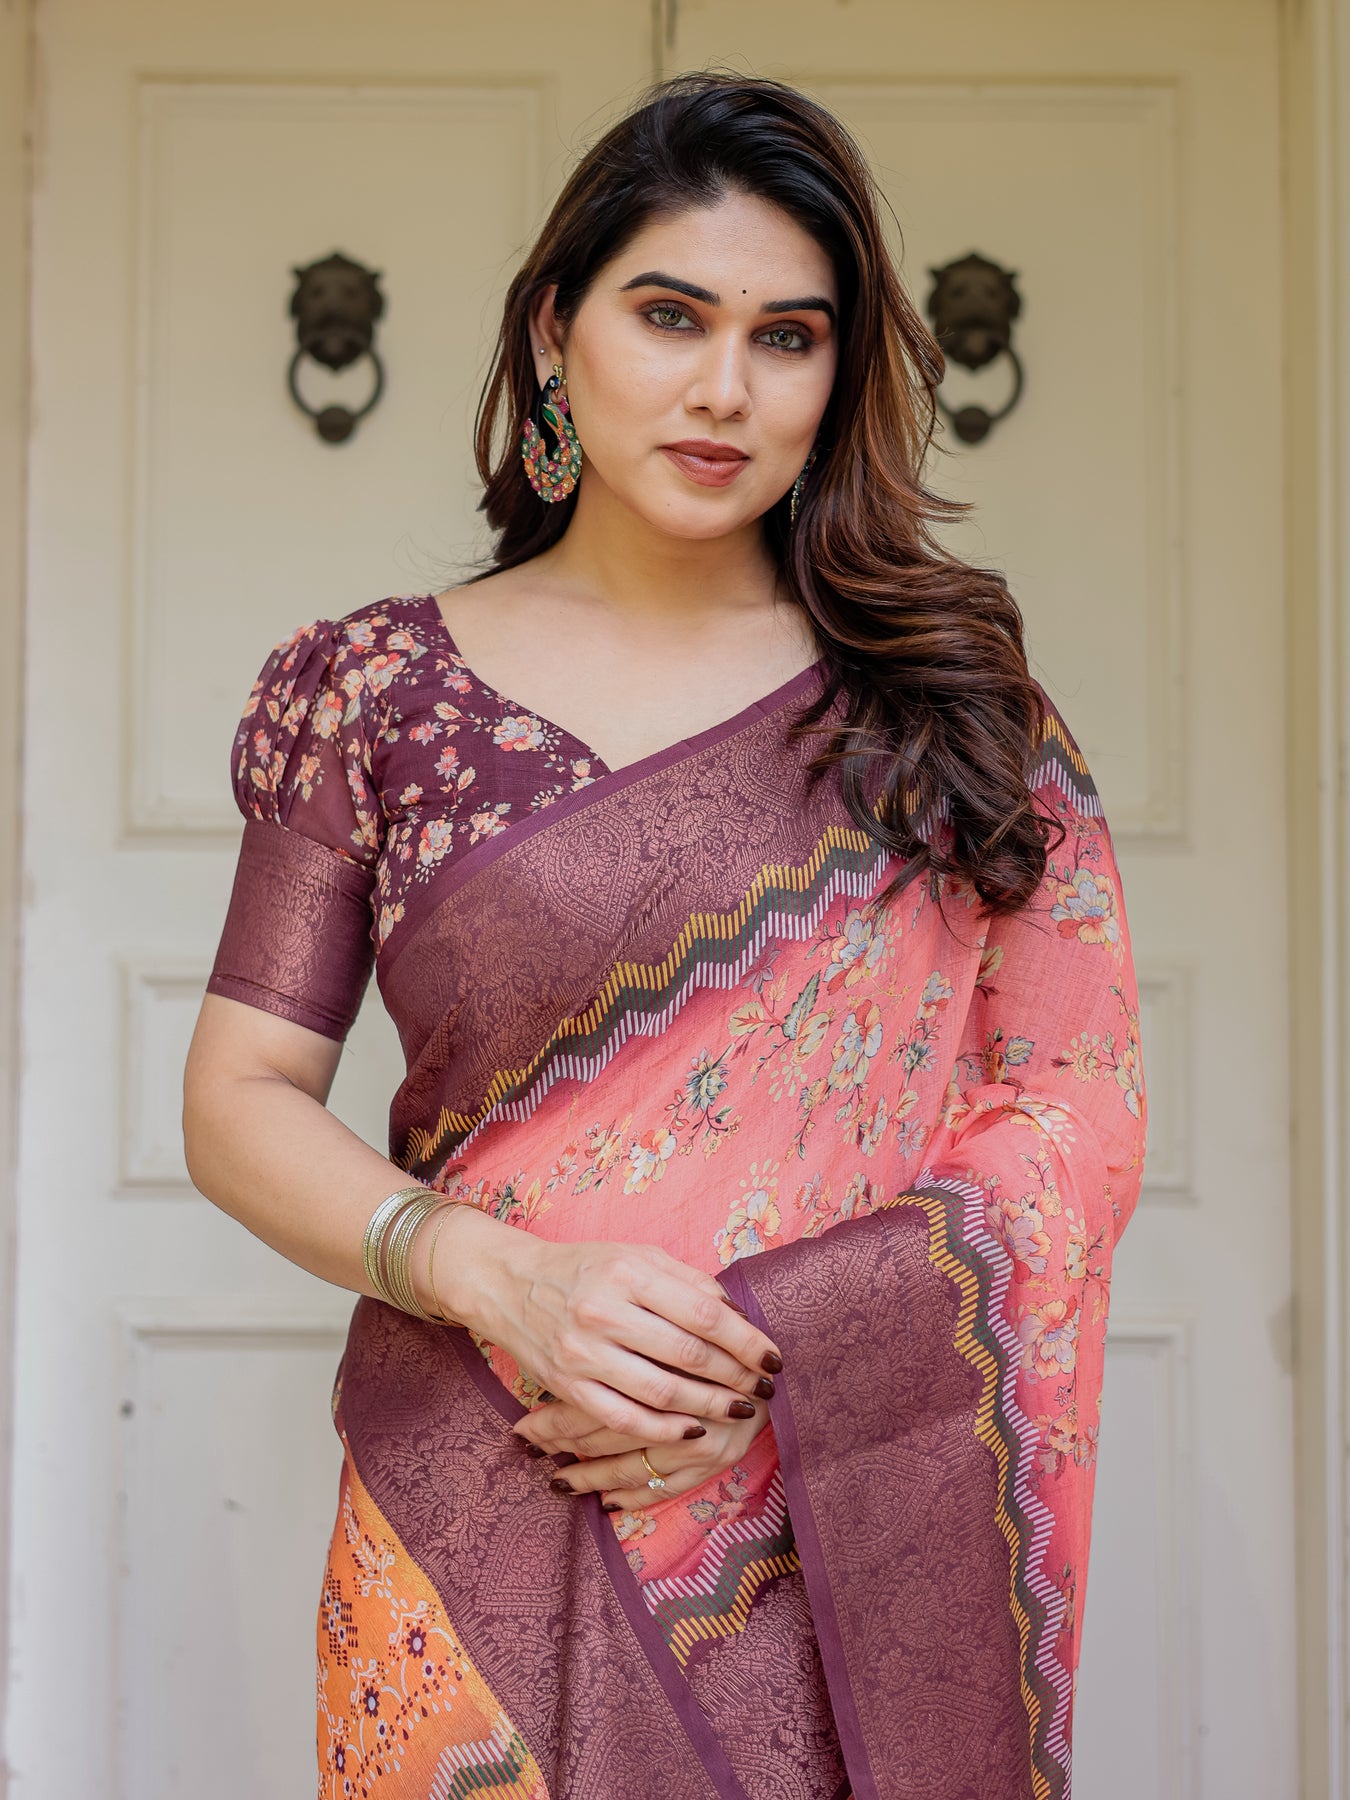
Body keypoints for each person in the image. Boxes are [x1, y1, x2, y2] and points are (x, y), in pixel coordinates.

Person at [183, 70, 1146, 1800]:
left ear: (838, 376)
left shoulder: (948, 715)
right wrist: (493, 1275)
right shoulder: (376, 693)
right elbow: (239, 1096)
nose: (723, 388)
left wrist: (788, 1363)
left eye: (786, 338)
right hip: (473, 1494)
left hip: (812, 1524)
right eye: (669, 315)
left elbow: (1076, 1103)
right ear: (555, 330)